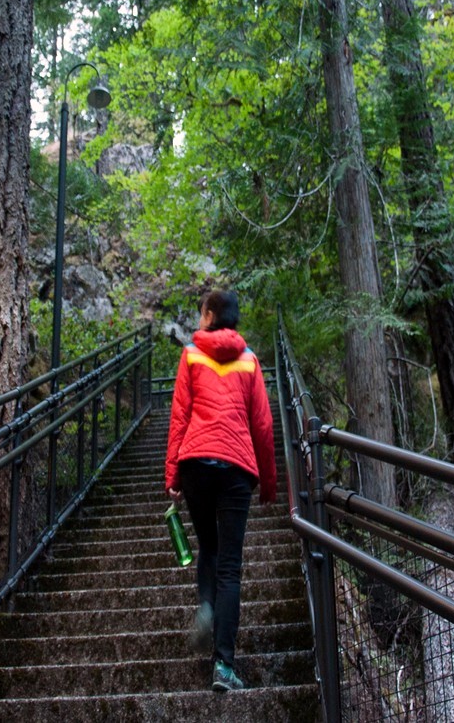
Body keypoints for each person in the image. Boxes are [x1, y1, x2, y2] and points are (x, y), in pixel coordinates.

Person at [164, 289, 277, 692]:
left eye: (201, 313)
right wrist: (269, 480)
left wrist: (173, 476)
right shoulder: (249, 361)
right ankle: (224, 666)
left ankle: (206, 605)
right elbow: (262, 425)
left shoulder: (191, 355)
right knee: (230, 565)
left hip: (195, 463)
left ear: (211, 315)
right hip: (235, 470)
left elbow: (179, 416)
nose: (198, 321)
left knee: (208, 548)